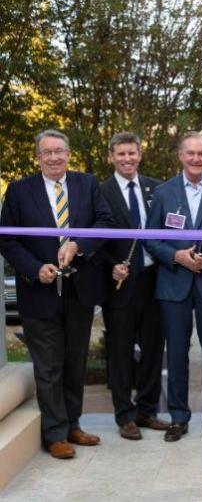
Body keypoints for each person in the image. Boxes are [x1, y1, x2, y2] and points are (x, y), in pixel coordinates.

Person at [0, 129, 114, 459]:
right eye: (46, 152)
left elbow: (106, 223)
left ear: (68, 153)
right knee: (48, 366)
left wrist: (79, 244)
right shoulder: (20, 190)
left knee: (74, 362)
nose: (53, 157)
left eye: (59, 151)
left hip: (79, 290)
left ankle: (73, 424)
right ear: (38, 157)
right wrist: (36, 268)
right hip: (40, 292)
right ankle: (54, 434)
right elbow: (7, 239)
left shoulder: (87, 184)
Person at [145, 131, 202, 442]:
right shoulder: (163, 191)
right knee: (177, 354)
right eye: (190, 153)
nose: (196, 158)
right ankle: (179, 418)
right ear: (181, 156)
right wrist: (177, 257)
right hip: (174, 284)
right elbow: (150, 237)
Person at [100, 132, 169, 440]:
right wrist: (108, 266)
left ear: (140, 155)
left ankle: (147, 410)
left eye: (132, 153)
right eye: (121, 154)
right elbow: (92, 236)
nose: (127, 159)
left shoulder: (157, 188)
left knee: (154, 348)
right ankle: (124, 415)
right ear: (112, 157)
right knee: (120, 350)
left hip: (155, 280)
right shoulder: (100, 191)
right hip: (119, 283)